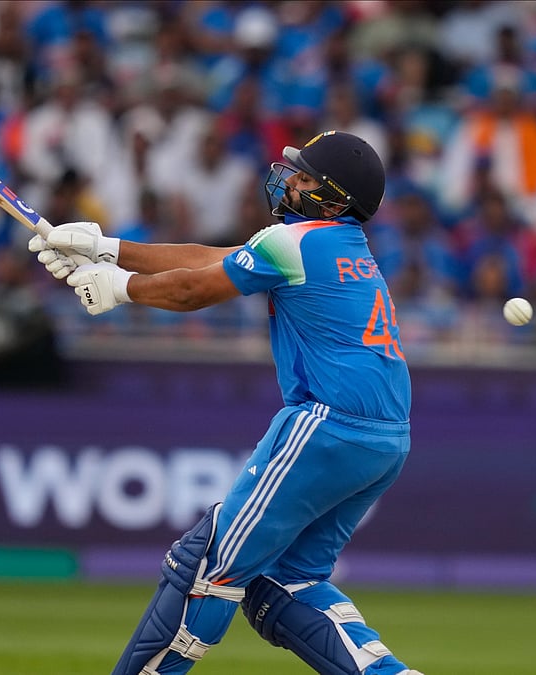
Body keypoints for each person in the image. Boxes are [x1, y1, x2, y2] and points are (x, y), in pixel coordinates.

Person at [29, 131, 422, 675]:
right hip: (386, 440)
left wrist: (121, 289)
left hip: (328, 425)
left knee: (206, 566)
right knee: (283, 582)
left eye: (305, 177)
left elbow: (193, 289)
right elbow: (206, 259)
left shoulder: (296, 243)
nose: (291, 181)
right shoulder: (334, 246)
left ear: (334, 199)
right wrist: (107, 249)